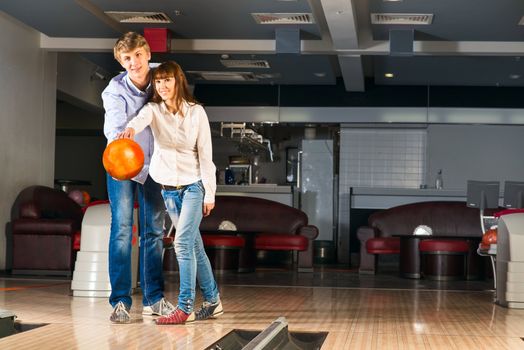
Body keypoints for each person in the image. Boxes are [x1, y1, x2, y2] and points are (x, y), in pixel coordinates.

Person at [119, 60, 222, 325]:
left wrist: (209, 193)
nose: (163, 86)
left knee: (182, 244)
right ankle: (213, 301)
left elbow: (206, 156)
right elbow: (139, 120)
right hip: (169, 191)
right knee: (195, 247)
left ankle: (185, 307)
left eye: (168, 80)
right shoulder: (153, 110)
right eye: (159, 81)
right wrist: (129, 130)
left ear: (178, 81)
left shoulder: (196, 112)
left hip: (193, 187)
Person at [102, 32, 175, 324]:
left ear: (147, 53)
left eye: (137, 55)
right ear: (122, 62)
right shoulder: (114, 90)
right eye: (127, 59)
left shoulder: (163, 79)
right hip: (121, 162)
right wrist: (125, 138)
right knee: (121, 230)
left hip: (154, 167)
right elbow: (116, 128)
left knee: (153, 233)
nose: (133, 63)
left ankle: (154, 299)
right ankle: (120, 301)